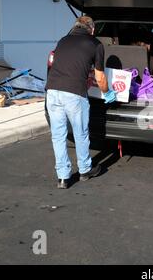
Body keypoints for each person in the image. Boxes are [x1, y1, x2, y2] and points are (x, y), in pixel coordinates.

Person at [46, 16, 117, 189]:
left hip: (53, 91)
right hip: (74, 95)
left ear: (75, 27)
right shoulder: (96, 44)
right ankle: (85, 170)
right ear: (92, 30)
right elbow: (100, 76)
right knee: (80, 133)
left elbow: (62, 65)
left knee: (58, 135)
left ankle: (63, 178)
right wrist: (107, 93)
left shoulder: (63, 40)